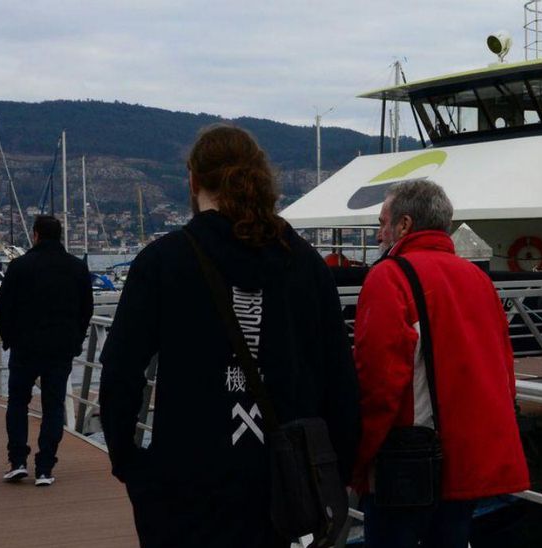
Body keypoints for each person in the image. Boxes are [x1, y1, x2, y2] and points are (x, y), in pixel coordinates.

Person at [99, 124, 361, 547]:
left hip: (186, 484)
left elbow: (120, 372)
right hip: (284, 486)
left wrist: (129, 462)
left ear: (193, 179)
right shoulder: (305, 263)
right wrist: (338, 466)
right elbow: (339, 375)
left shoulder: (164, 262)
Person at [353, 179, 529, 547]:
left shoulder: (389, 276)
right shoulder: (479, 279)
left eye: (382, 224)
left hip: (407, 466)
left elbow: (379, 382)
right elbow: (504, 368)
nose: (378, 236)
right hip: (466, 464)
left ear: (404, 226)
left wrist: (358, 457)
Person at [0, 215, 94, 486]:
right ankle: (45, 467)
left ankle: (17, 461)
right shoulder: (76, 268)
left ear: (35, 234)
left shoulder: (19, 267)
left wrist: (8, 337)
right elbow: (87, 308)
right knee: (53, 406)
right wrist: (77, 339)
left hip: (25, 347)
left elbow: (2, 307)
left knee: (17, 403)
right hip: (61, 348)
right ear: (60, 235)